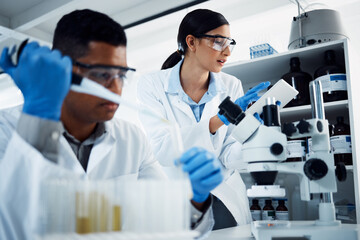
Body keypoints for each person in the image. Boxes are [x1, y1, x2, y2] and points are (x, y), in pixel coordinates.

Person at [0, 9, 224, 239]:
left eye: (121, 74)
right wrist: (38, 115)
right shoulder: (6, 131)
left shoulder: (132, 140)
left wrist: (196, 198)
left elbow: (165, 226)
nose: (116, 88)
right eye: (101, 75)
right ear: (63, 73)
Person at [137, 9, 269, 229]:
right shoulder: (151, 85)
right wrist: (219, 120)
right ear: (191, 42)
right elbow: (162, 149)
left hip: (223, 195)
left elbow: (228, 153)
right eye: (218, 42)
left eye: (229, 43)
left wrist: (253, 140)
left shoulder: (231, 85)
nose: (227, 52)